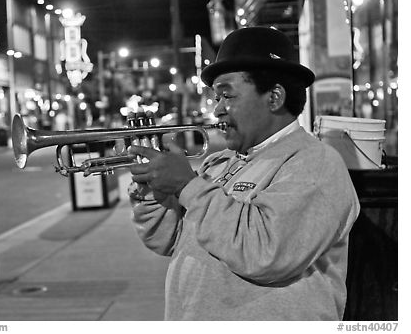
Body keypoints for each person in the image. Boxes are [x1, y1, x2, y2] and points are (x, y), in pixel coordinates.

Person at [127, 26, 360, 320]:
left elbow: (266, 254)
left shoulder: (315, 162)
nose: (218, 110)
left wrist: (188, 185)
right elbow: (167, 240)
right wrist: (153, 190)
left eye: (228, 96)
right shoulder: (219, 163)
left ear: (274, 97)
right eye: (216, 98)